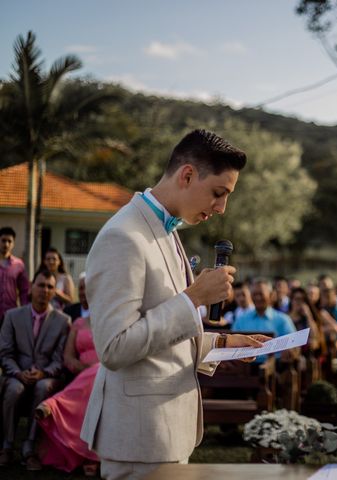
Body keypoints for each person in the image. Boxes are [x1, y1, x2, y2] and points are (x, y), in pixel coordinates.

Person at [79, 129, 268, 480]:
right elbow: (114, 347)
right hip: (139, 440)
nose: (222, 208)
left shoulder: (168, 231)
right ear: (187, 175)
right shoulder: (123, 236)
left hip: (166, 433)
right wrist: (194, 297)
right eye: (218, 193)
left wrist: (223, 344)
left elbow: (166, 337)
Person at [0, 269, 70, 471]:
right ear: (31, 287)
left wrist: (44, 372)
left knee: (43, 387)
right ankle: (7, 446)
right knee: (14, 389)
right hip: (16, 374)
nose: (45, 290)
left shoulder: (63, 321)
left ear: (54, 291)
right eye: (41, 285)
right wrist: (17, 372)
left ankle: (29, 449)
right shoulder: (12, 316)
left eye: (50, 286)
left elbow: (59, 358)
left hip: (45, 376)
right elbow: (5, 353)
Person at [35, 273, 100, 475]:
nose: (83, 292)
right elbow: (68, 357)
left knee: (101, 371)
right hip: (81, 377)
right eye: (80, 288)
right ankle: (88, 456)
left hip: (106, 374)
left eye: (87, 288)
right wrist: (85, 370)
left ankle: (54, 405)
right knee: (94, 376)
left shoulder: (109, 322)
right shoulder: (78, 323)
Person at [0, 226, 30, 324]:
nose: (6, 244)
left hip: (10, 313)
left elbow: (24, 291)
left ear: (13, 243)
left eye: (9, 241)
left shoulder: (19, 264)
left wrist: (24, 311)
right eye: (3, 240)